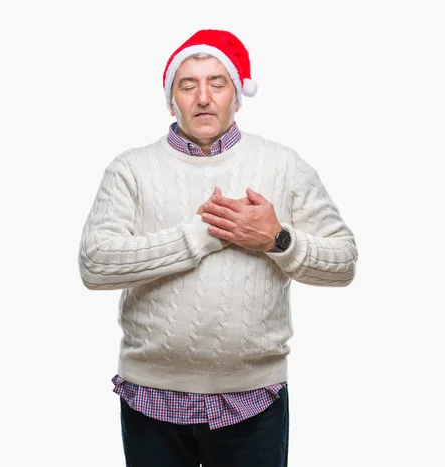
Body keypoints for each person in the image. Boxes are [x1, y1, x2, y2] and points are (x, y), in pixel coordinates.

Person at [78, 28, 358, 467]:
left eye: (217, 83)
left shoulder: (284, 165)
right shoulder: (130, 169)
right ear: (172, 100)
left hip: (254, 399)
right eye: (188, 85)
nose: (203, 97)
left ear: (237, 96)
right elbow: (95, 264)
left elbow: (343, 263)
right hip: (151, 398)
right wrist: (196, 238)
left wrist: (277, 240)